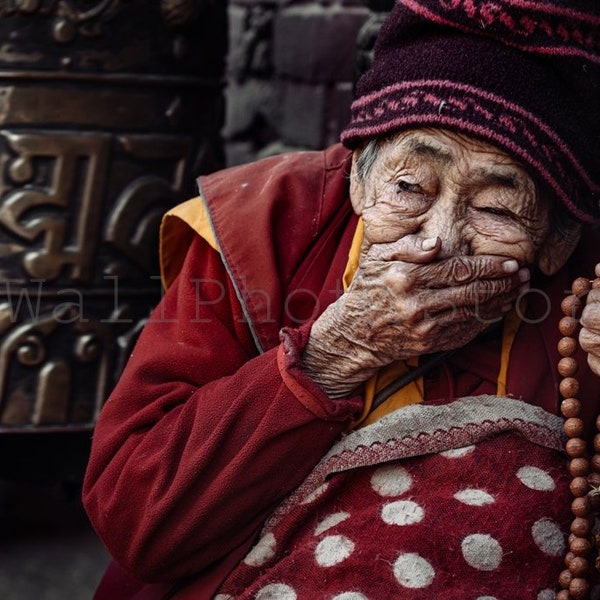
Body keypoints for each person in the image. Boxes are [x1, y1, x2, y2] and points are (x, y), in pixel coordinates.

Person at [83, 1, 600, 598]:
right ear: (359, 176)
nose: (437, 239)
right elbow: (140, 522)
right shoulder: (260, 227)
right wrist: (337, 351)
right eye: (408, 187)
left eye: (494, 208)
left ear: (558, 241)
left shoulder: (584, 284)